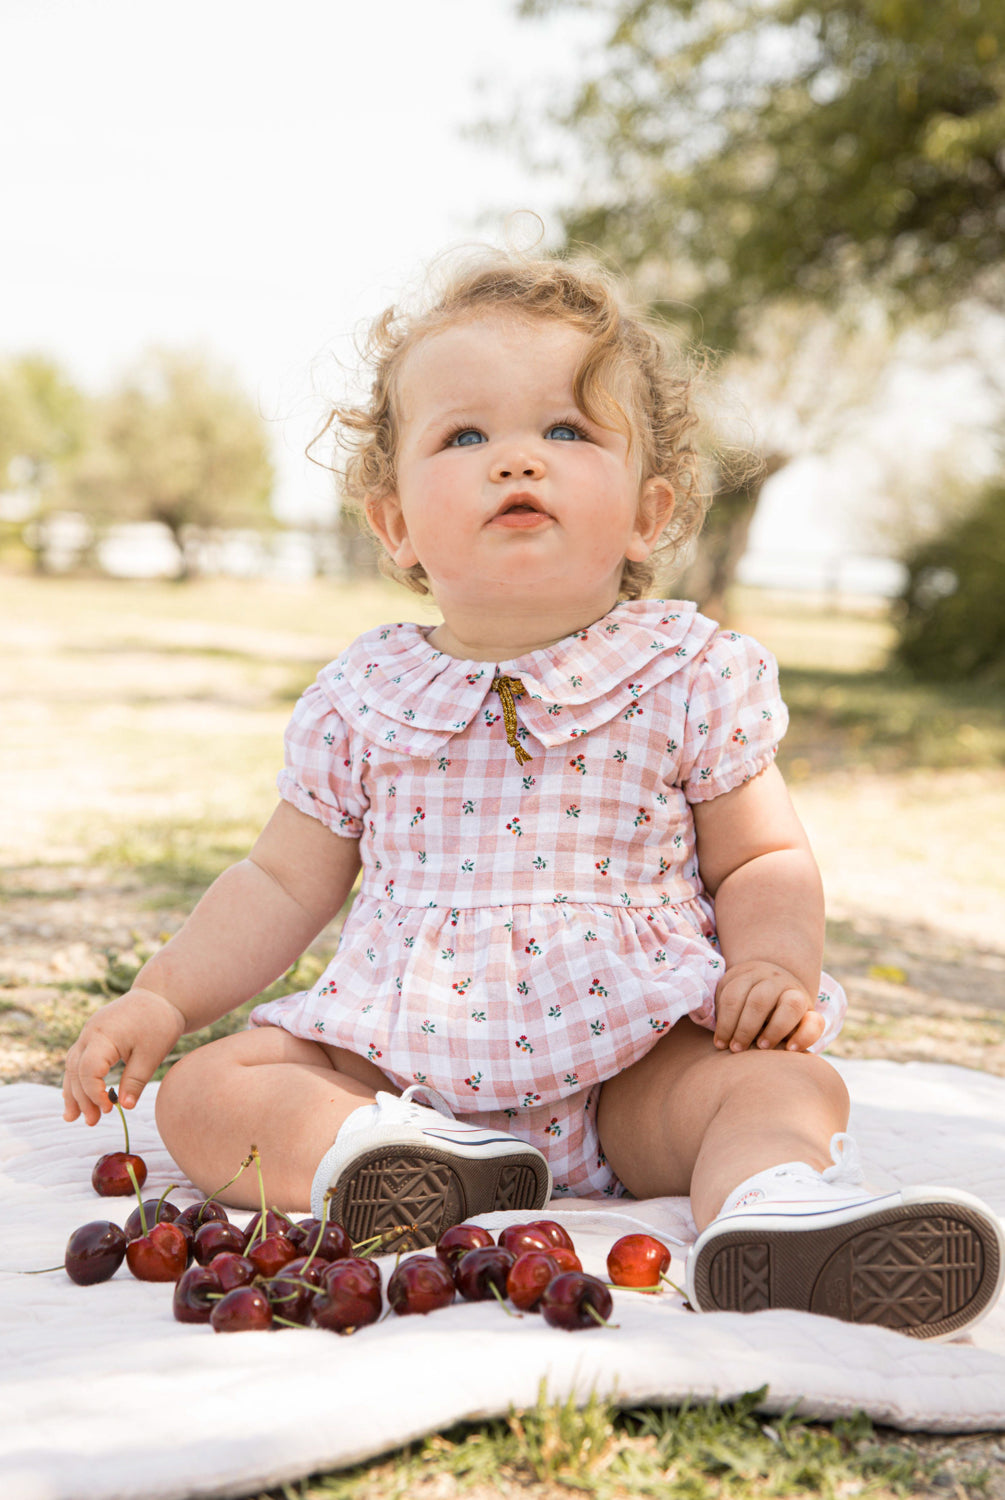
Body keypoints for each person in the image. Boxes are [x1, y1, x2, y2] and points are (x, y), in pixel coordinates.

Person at [62, 250, 1002, 1339]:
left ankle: (774, 1208)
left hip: (635, 1064)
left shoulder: (688, 674)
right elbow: (278, 880)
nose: (517, 459)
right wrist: (166, 998)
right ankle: (392, 1163)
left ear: (650, 513)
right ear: (396, 525)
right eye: (464, 437)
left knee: (778, 1088)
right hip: (396, 1064)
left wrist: (773, 967)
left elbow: (762, 857)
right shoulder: (363, 696)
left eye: (566, 431)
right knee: (206, 1092)